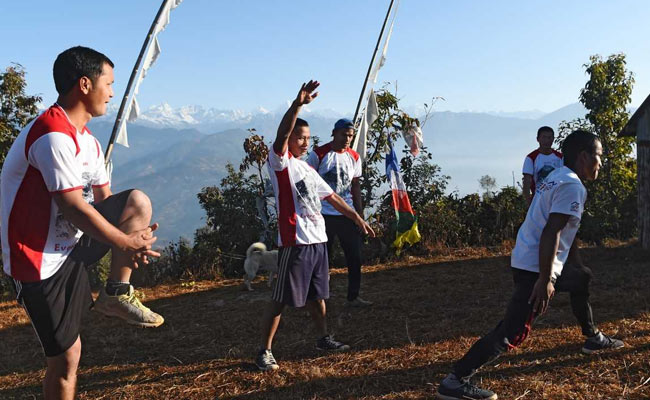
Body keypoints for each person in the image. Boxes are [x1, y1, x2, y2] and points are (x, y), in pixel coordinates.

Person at [0, 46, 163, 400]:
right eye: (109, 83)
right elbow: (73, 207)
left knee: (137, 203)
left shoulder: (87, 142)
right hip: (37, 263)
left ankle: (115, 293)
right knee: (65, 359)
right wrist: (123, 243)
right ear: (85, 85)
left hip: (72, 246)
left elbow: (105, 205)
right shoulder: (51, 134)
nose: (113, 92)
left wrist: (133, 241)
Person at [435, 130, 624, 400]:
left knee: (580, 280)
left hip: (529, 259)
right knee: (513, 331)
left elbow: (565, 232)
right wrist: (545, 280)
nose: (600, 163)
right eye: (599, 156)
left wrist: (574, 267)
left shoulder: (555, 177)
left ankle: (592, 337)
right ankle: (456, 380)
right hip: (536, 268)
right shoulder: (571, 185)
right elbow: (551, 232)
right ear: (584, 156)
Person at [255, 80, 375, 371]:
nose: (305, 142)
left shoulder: (307, 168)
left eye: (307, 138)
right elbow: (282, 134)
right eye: (300, 138)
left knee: (317, 296)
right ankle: (264, 351)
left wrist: (356, 217)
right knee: (281, 298)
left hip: (317, 241)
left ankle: (322, 338)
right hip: (295, 241)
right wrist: (297, 105)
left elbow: (332, 196)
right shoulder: (280, 164)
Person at [307, 118, 371, 307]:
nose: (347, 139)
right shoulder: (319, 154)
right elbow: (309, 183)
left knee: (354, 256)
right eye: (344, 134)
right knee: (321, 259)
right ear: (334, 133)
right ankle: (317, 298)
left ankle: (353, 296)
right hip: (323, 214)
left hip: (347, 213)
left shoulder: (354, 157)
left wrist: (359, 214)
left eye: (350, 135)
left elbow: (355, 185)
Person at [522, 126, 563, 205]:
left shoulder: (560, 157)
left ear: (553, 139)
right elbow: (527, 182)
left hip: (557, 199)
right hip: (538, 201)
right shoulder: (531, 158)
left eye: (549, 137)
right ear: (538, 139)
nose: (547, 140)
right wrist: (528, 202)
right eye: (544, 137)